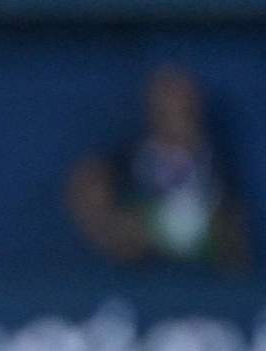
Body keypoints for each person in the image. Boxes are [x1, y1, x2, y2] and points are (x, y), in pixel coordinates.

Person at [66, 63, 250, 275]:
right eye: (166, 107)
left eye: (183, 107)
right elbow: (93, 200)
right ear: (152, 110)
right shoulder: (128, 161)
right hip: (142, 279)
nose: (175, 115)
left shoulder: (220, 161)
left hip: (206, 279)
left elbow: (234, 234)